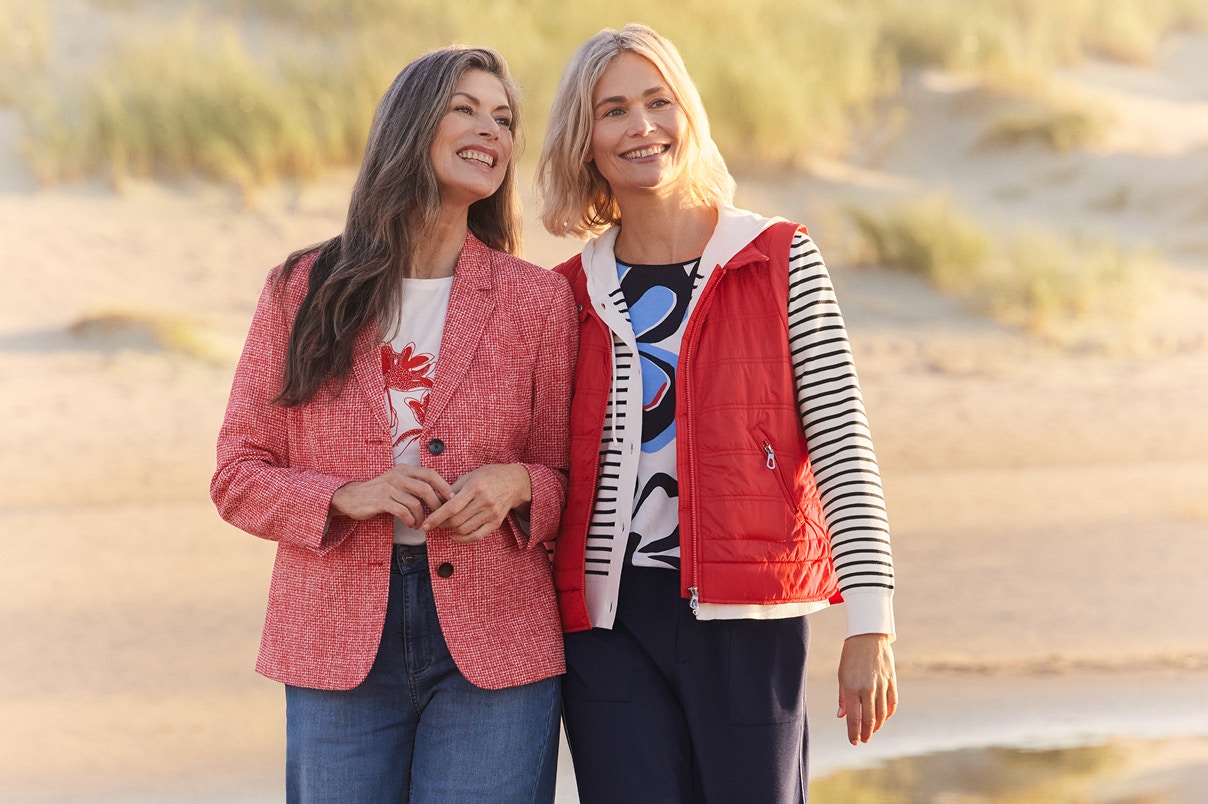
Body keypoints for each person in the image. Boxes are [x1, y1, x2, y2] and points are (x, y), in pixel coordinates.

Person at [536, 23, 897, 803]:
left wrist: (871, 621)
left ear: (688, 114)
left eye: (657, 101)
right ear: (585, 142)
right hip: (608, 625)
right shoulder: (567, 292)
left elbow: (842, 444)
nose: (641, 126)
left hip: (750, 614)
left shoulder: (777, 257)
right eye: (612, 111)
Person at [210, 45, 576, 803]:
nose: (492, 130)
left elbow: (571, 477)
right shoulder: (301, 289)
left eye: (505, 118)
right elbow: (238, 475)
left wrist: (515, 485)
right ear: (411, 124)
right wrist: (345, 495)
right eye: (465, 109)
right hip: (334, 632)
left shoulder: (537, 300)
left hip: (497, 632)